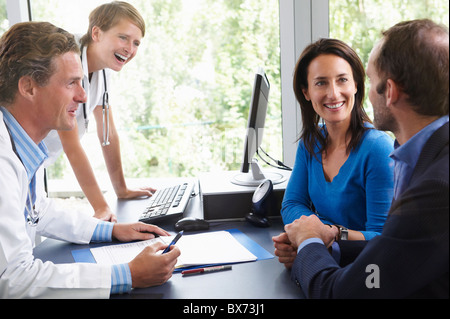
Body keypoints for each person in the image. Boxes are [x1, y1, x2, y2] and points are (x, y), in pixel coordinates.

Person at [0, 21, 180, 299]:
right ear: (29, 87)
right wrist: (128, 275)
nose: (83, 96)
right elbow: (13, 279)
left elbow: (40, 212)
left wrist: (112, 231)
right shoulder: (2, 161)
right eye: (71, 82)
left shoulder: (21, 144)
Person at [285, 19, 449, 298]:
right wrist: (316, 238)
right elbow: (391, 250)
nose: (365, 92)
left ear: (391, 91)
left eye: (371, 81)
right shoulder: (420, 157)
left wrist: (311, 240)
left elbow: (341, 293)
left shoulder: (434, 187)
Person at [273, 38, 394, 268]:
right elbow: (291, 204)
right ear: (306, 92)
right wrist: (308, 239)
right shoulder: (311, 141)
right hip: (323, 262)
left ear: (356, 85)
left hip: (363, 274)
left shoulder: (378, 148)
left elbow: (382, 239)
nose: (334, 93)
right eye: (321, 83)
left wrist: (329, 234)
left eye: (342, 80)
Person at [42, 1, 154, 222]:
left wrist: (121, 189)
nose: (130, 49)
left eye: (136, 43)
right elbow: (71, 145)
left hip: (37, 162)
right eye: (123, 37)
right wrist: (101, 207)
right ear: (96, 33)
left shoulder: (103, 68)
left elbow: (108, 133)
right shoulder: (67, 59)